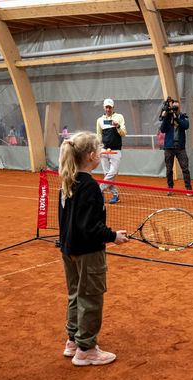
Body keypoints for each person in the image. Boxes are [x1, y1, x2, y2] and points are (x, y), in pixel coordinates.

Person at [57, 131, 128, 366]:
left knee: (76, 294)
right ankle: (86, 349)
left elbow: (67, 222)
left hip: (69, 250)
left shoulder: (67, 181)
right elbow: (90, 227)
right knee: (91, 298)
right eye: (98, 151)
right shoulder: (90, 187)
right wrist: (113, 236)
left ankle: (73, 341)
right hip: (88, 252)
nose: (101, 154)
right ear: (90, 156)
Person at [159, 98, 193, 196]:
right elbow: (162, 130)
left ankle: (188, 189)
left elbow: (186, 126)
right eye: (173, 107)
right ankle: (170, 188)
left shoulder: (182, 116)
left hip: (180, 147)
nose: (175, 108)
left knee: (185, 168)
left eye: (176, 107)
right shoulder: (168, 118)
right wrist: (166, 117)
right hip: (169, 148)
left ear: (179, 107)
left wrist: (176, 117)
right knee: (169, 169)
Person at [96, 98, 127, 204]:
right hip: (104, 151)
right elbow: (99, 135)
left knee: (112, 173)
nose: (108, 109)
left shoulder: (119, 117)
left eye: (110, 107)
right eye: (106, 107)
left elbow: (124, 133)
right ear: (104, 108)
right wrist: (98, 148)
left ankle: (99, 189)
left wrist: (117, 126)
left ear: (113, 107)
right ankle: (115, 195)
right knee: (107, 173)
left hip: (116, 150)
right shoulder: (100, 120)